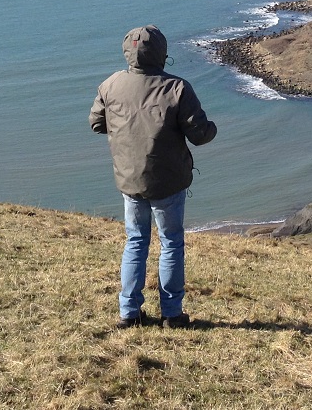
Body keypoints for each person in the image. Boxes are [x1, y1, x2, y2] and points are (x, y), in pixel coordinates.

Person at [89, 24, 217, 329]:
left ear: (127, 52)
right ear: (162, 53)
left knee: (136, 241)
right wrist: (212, 128)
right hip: (168, 181)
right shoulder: (177, 88)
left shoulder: (110, 85)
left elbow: (96, 124)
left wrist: (124, 129)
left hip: (130, 180)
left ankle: (128, 313)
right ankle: (172, 314)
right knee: (171, 242)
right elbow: (199, 135)